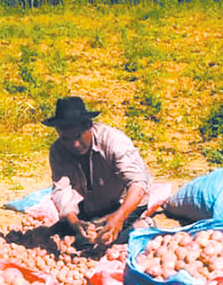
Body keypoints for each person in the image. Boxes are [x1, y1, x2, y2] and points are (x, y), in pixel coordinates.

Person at [44, 96, 153, 248]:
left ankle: (142, 224)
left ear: (89, 126)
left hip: (126, 203)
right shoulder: (58, 150)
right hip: (94, 205)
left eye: (78, 136)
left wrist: (119, 217)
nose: (74, 145)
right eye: (66, 139)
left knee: (106, 239)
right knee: (58, 234)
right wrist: (74, 221)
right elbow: (62, 189)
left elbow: (138, 184)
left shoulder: (113, 142)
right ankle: (102, 224)